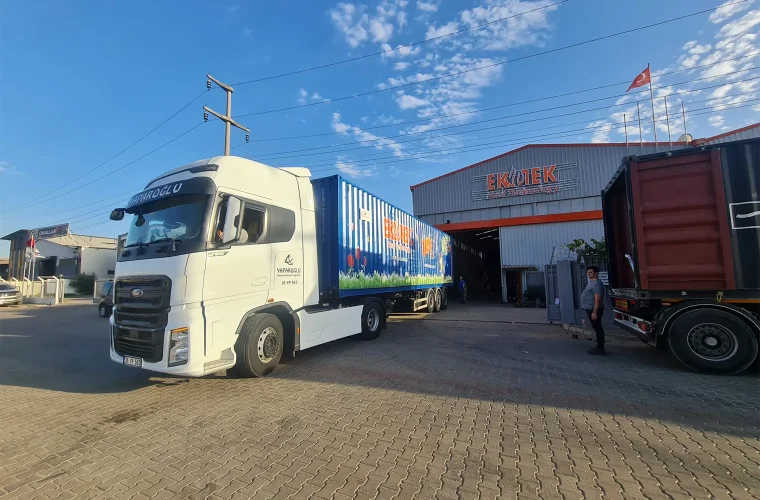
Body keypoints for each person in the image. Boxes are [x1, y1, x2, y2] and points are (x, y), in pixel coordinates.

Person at [581, 266, 605, 355]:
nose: (588, 274)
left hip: (593, 309)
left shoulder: (597, 284)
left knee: (598, 328)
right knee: (596, 327)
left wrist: (594, 312)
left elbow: (597, 299)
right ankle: (599, 346)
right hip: (590, 309)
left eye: (590, 272)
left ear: (596, 273)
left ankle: (600, 348)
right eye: (588, 272)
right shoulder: (592, 282)